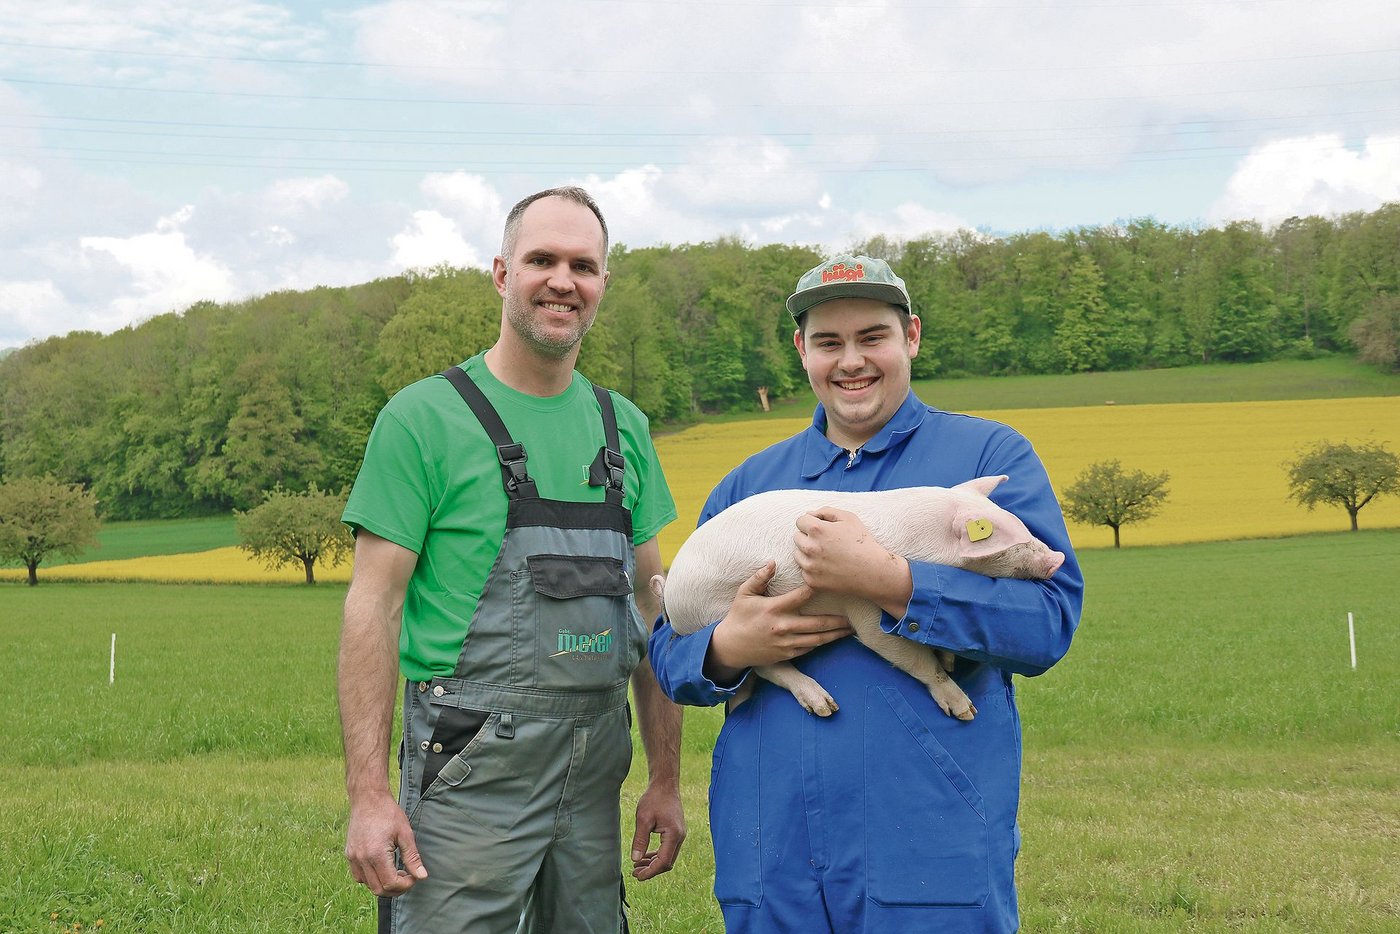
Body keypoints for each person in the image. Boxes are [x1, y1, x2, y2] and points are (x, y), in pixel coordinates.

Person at [649, 253, 1083, 933]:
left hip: (930, 843)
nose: (851, 361)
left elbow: (1046, 622)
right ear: (802, 352)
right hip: (773, 853)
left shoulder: (986, 460)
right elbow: (669, 652)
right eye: (828, 342)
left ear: (911, 335)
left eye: (872, 337)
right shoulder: (750, 486)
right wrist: (727, 648)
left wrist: (892, 583)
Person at [338, 186, 686, 934]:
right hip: (469, 768)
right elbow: (374, 607)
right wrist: (369, 795)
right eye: (542, 260)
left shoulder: (622, 426)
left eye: (583, 265)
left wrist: (665, 778)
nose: (564, 280)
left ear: (601, 286)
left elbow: (658, 612)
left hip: (596, 769)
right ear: (502, 273)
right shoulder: (422, 419)